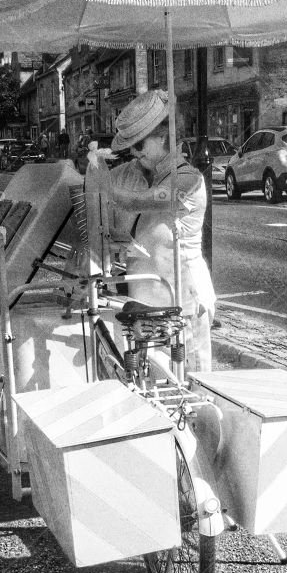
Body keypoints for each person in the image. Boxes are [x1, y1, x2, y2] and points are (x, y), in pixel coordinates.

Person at [91, 89, 215, 373]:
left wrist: (104, 187)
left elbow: (146, 201)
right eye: (130, 148)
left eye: (138, 145)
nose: (133, 153)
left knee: (189, 384)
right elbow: (96, 211)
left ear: (163, 138)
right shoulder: (127, 173)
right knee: (148, 384)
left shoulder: (188, 179)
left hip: (182, 302)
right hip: (143, 304)